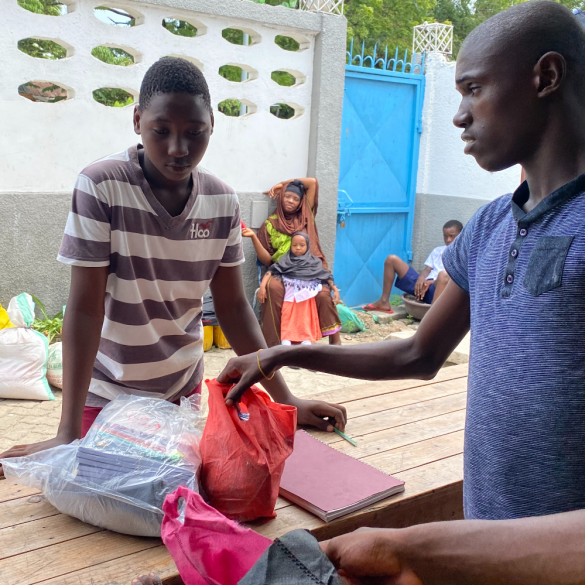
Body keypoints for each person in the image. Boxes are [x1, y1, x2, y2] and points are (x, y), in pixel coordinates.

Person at [217, 0, 585, 579]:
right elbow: (418, 353)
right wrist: (282, 354)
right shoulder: (488, 228)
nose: (459, 115)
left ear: (545, 77)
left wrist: (412, 549)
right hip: (485, 549)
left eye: (473, 90)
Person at [0, 58, 347, 473]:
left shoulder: (221, 201)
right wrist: (68, 432)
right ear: (137, 120)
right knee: (97, 492)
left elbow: (235, 309)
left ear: (212, 125)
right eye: (161, 131)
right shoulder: (101, 186)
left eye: (194, 133)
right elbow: (85, 309)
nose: (178, 149)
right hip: (108, 398)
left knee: (198, 491)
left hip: (181, 401)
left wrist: (288, 402)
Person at [242, 178, 342, 346]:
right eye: (287, 196)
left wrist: (282, 184)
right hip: (282, 271)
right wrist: (253, 237)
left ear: (301, 202)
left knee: (323, 294)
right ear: (281, 198)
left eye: (295, 198)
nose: (291, 201)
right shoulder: (270, 225)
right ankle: (275, 344)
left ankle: (334, 339)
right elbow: (266, 260)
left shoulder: (305, 215)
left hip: (310, 270)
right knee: (272, 287)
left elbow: (312, 182)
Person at [258, 232, 340, 346]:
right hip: (290, 299)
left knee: (304, 319)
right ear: (290, 246)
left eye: (302, 245)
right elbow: (271, 271)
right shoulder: (285, 260)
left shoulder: (314, 262)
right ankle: (286, 338)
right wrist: (262, 287)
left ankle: (305, 339)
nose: (298, 248)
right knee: (288, 318)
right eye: (294, 245)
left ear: (307, 246)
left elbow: (325, 275)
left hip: (306, 300)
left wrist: (335, 290)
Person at [362, 220, 463, 313]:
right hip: (422, 288)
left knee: (443, 275)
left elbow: (454, 279)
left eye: (452, 236)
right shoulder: (438, 251)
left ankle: (433, 317)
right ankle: (383, 302)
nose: (448, 239)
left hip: (439, 291)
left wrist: (430, 282)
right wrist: (421, 279)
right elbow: (427, 269)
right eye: (445, 236)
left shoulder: (464, 256)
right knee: (391, 259)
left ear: (461, 235)